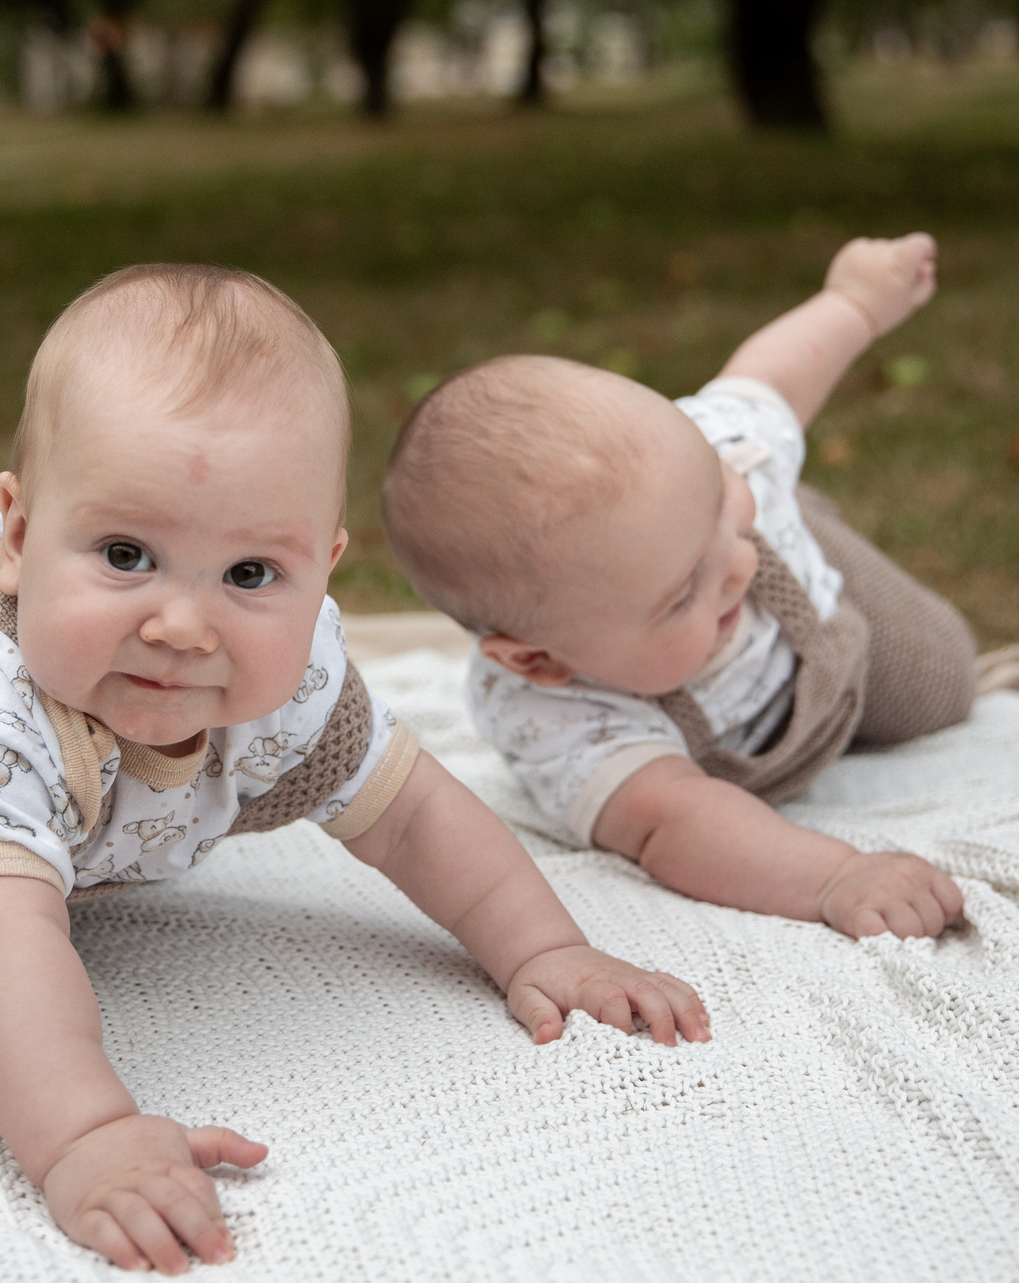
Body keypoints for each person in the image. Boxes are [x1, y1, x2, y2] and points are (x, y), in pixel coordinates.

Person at [0, 263, 709, 1278]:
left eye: (247, 572)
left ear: (320, 572)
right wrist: (84, 1136)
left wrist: (546, 947)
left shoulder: (293, 676)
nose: (182, 626)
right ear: (21, 535)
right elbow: (0, 939)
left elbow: (415, 814)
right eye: (125, 556)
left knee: (24, 852)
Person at [379, 234, 977, 940]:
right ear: (541, 659)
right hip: (744, 732)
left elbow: (771, 379)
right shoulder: (560, 719)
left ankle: (800, 515)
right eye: (683, 591)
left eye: (717, 502)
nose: (736, 567)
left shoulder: (710, 459)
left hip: (809, 591)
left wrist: (855, 301)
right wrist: (834, 876)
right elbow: (681, 822)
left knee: (941, 685)